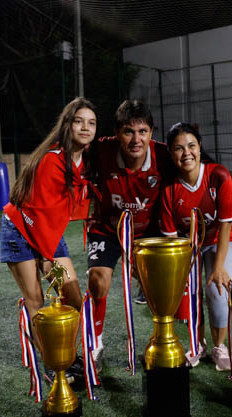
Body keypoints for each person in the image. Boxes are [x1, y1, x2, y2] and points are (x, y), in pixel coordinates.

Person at [0, 97, 96, 378]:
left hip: (49, 233)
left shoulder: (83, 162)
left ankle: (68, 355)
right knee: (36, 301)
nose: (85, 127)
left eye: (91, 123)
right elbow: (36, 216)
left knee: (73, 297)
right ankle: (52, 363)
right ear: (67, 125)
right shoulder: (51, 161)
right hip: (21, 230)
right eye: (78, 121)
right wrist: (46, 260)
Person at [86, 100, 173, 359]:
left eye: (142, 131)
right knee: (97, 281)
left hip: (146, 233)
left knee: (157, 289)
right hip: (107, 228)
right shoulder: (100, 150)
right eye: (128, 131)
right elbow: (69, 150)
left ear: (152, 133)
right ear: (116, 133)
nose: (136, 139)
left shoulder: (164, 155)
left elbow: (201, 165)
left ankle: (163, 341)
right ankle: (95, 344)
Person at [159, 123, 232, 371]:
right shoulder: (169, 190)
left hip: (220, 242)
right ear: (171, 154)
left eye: (191, 146)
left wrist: (218, 268)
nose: (186, 153)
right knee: (188, 294)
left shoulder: (218, 175)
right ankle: (198, 344)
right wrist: (182, 274)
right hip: (187, 248)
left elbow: (226, 225)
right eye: (179, 148)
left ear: (200, 147)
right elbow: (173, 239)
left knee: (217, 290)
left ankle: (219, 347)